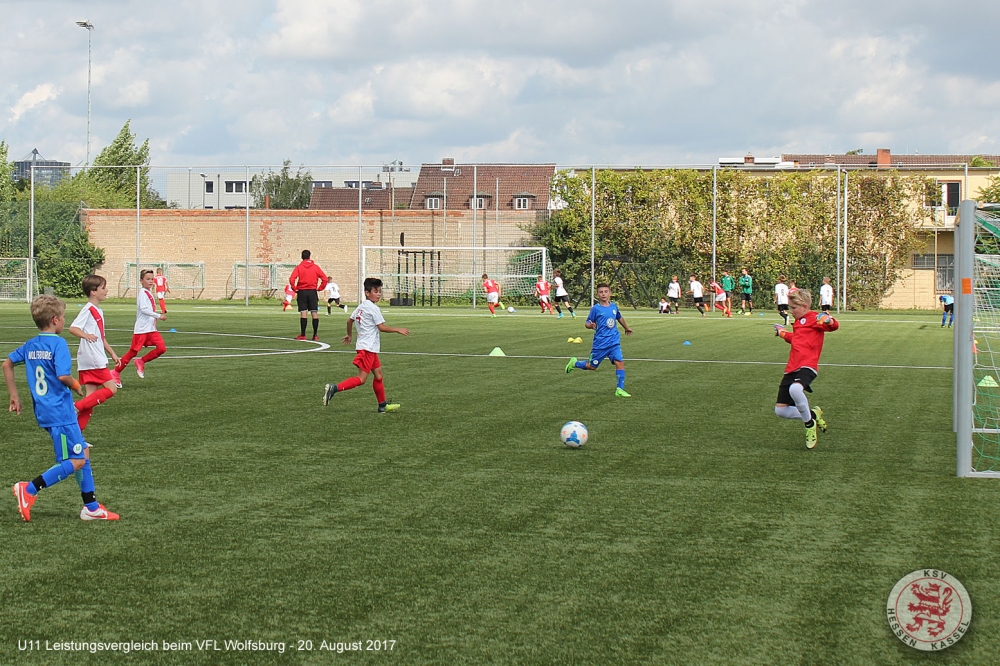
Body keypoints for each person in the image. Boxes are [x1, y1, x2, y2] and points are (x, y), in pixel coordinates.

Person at [3, 295, 119, 521]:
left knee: (83, 451)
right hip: (61, 412)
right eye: (64, 317)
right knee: (76, 460)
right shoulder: (58, 344)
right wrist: (77, 386)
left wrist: (14, 396)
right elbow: (63, 375)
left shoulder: (31, 345)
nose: (65, 321)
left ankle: (91, 507)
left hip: (45, 410)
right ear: (55, 320)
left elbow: (7, 363)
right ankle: (29, 489)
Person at [323, 278, 409, 413]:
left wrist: (350, 335)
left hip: (368, 347)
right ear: (367, 293)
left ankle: (382, 405)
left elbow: (349, 321)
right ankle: (334, 388)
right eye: (376, 291)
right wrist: (397, 329)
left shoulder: (361, 306)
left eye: (380, 291)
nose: (379, 294)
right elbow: (381, 327)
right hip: (367, 348)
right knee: (361, 379)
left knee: (379, 375)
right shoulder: (373, 308)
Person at [773, 288, 839, 449]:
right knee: (780, 411)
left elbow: (833, 325)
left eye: (793, 308)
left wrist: (829, 320)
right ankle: (813, 414)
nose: (791, 311)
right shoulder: (798, 323)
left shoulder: (815, 318)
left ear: (804, 306)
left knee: (795, 390)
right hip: (791, 367)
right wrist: (782, 334)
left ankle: (809, 425)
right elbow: (797, 339)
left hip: (807, 365)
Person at [68, 275, 120, 431]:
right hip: (93, 358)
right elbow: (73, 328)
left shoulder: (97, 310)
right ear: (93, 291)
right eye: (103, 288)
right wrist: (85, 335)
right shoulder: (88, 309)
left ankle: (76, 437)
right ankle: (76, 406)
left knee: (90, 400)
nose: (107, 290)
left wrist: (111, 352)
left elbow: (100, 336)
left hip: (92, 357)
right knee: (112, 389)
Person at [564, 283, 634, 397]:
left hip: (614, 342)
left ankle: (620, 389)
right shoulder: (595, 309)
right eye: (601, 292)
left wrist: (627, 327)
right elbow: (587, 323)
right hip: (600, 344)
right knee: (592, 366)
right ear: (597, 294)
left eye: (606, 292)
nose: (604, 294)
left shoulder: (614, 306)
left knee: (620, 362)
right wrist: (590, 326)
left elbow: (619, 317)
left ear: (610, 293)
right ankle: (574, 363)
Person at [112, 269, 166, 386]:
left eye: (152, 279)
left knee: (161, 348)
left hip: (151, 330)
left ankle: (141, 361)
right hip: (141, 330)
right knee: (132, 352)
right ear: (141, 281)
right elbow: (144, 309)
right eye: (148, 279)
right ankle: (115, 372)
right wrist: (158, 316)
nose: (151, 281)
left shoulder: (149, 293)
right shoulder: (142, 293)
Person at [289, 250, 329, 341]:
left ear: (301, 257)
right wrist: (320, 288)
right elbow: (325, 279)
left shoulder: (299, 267)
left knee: (303, 312)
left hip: (302, 291)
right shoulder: (315, 267)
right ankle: (315, 335)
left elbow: (292, 279)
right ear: (309, 256)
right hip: (312, 291)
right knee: (314, 312)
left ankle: (303, 334)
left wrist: (295, 288)